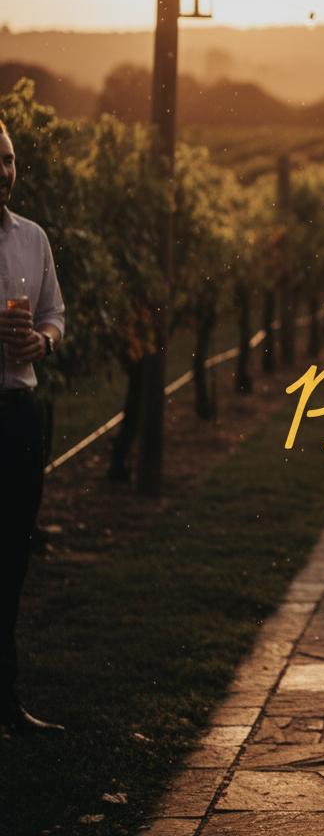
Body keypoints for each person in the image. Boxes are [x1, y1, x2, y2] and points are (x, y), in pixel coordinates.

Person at [0, 118, 65, 737]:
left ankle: (6, 699)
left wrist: (41, 343)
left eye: (9, 160)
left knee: (12, 556)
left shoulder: (33, 238)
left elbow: (53, 313)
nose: (3, 172)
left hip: (19, 415)